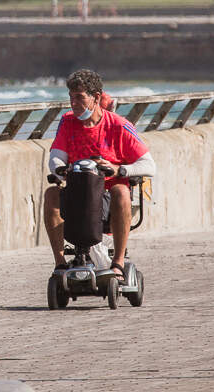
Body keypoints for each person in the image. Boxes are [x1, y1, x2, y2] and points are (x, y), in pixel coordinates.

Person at [43, 68, 156, 278]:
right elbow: (56, 156)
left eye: (79, 98)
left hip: (107, 198)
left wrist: (119, 169)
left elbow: (149, 166)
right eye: (71, 98)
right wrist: (61, 170)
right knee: (51, 194)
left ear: (96, 98)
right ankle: (60, 264)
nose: (73, 103)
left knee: (122, 191)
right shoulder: (67, 122)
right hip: (78, 194)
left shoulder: (119, 125)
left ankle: (118, 263)